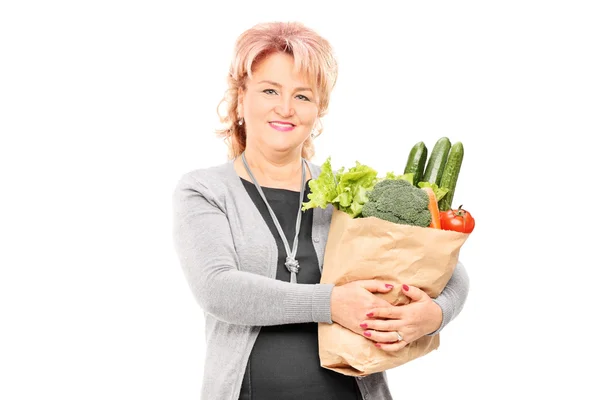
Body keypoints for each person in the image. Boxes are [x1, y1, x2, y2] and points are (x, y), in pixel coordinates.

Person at [172, 21, 470, 400]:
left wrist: (434, 316)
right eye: (269, 90)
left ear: (319, 109)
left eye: (302, 96)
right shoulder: (205, 190)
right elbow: (218, 289)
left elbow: (447, 268)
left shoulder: (346, 191)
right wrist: (331, 303)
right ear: (240, 98)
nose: (285, 108)